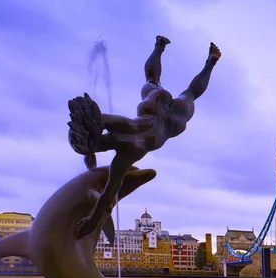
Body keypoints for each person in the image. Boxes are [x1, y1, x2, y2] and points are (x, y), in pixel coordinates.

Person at [69, 36, 221, 238]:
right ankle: (161, 47)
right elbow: (92, 132)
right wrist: (90, 159)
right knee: (154, 82)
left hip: (170, 126)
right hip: (155, 105)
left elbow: (108, 195)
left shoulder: (127, 154)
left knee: (189, 94)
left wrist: (91, 223)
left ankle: (209, 63)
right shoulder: (115, 122)